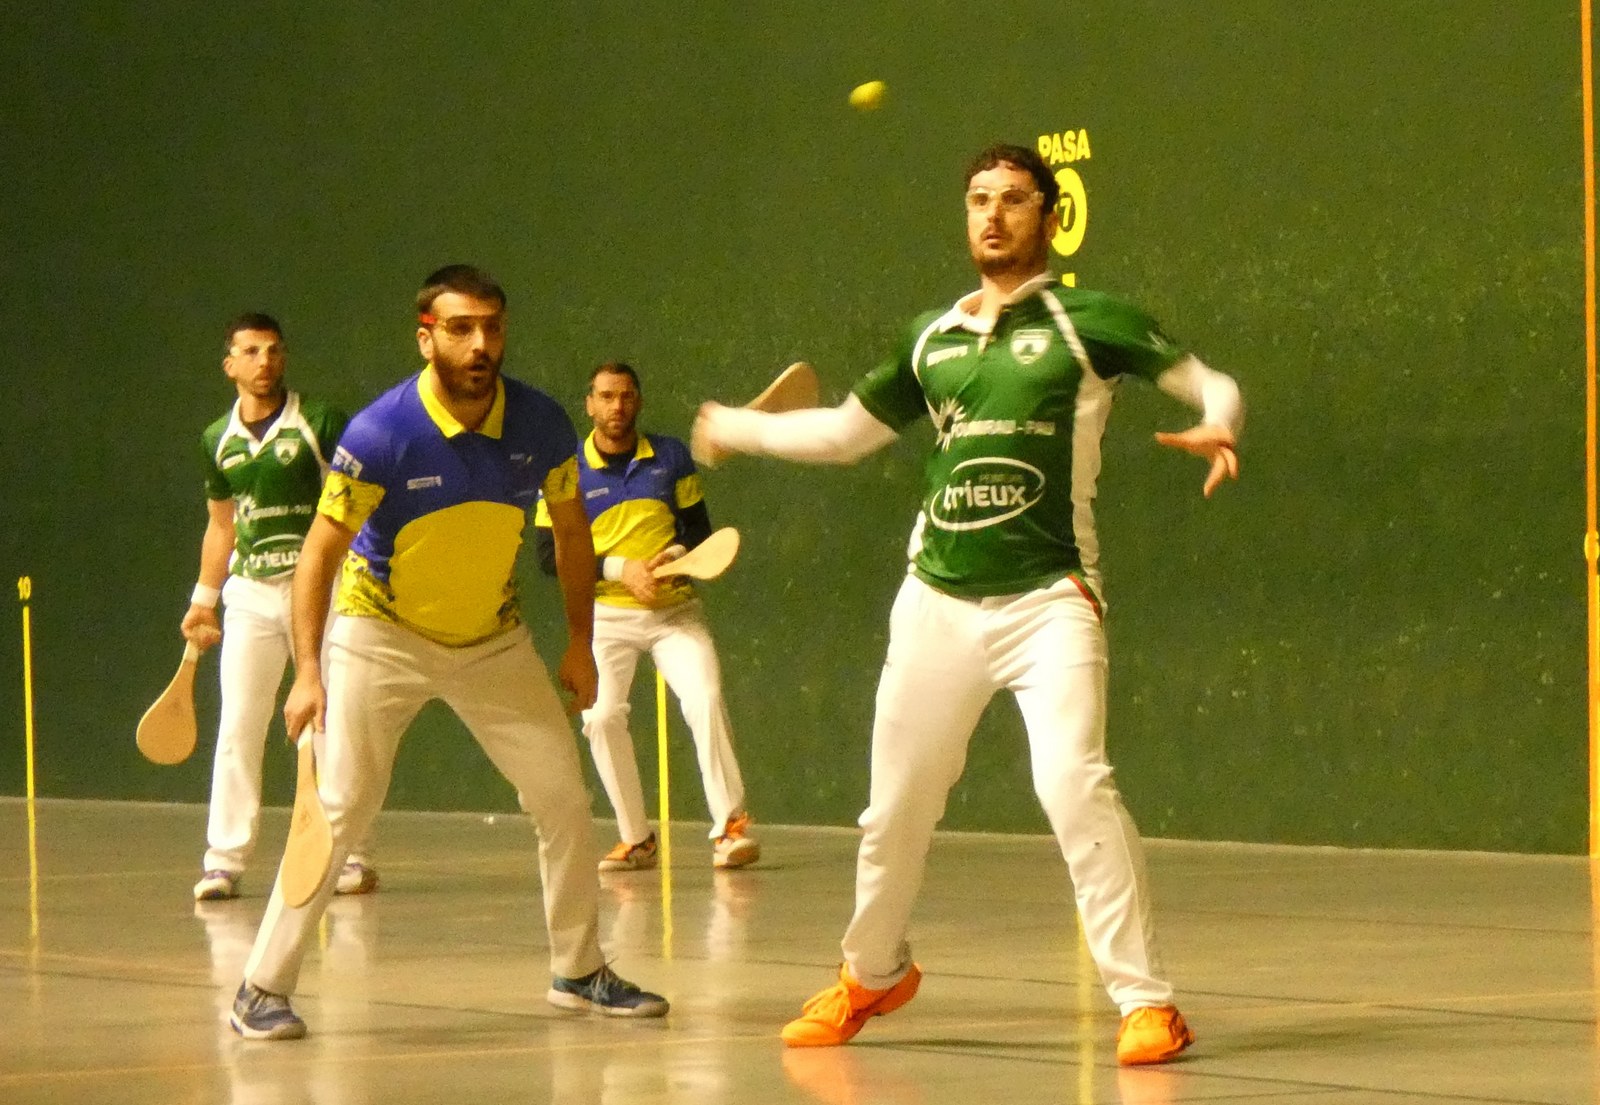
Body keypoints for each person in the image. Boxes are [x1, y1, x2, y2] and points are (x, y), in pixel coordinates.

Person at [693, 143, 1243, 1065]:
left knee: (1073, 782)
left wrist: (1220, 418)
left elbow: (1207, 380)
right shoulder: (932, 337)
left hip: (1049, 599)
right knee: (894, 808)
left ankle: (1148, 1002)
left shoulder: (1089, 322)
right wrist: (737, 426)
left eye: (1014, 199)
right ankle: (872, 973)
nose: (992, 214)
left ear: (1050, 216)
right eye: (979, 199)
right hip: (936, 600)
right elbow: (843, 434)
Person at [227, 265, 668, 1039]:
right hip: (380, 632)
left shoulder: (539, 424)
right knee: (342, 805)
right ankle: (259, 987)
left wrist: (579, 642)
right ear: (426, 337)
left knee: (563, 796)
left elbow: (572, 533)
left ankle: (578, 968)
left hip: (492, 638)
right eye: (461, 328)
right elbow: (319, 553)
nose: (481, 344)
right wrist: (308, 671)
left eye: (492, 326)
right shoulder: (382, 433)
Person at [533, 362, 760, 872]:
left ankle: (730, 828)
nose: (617, 406)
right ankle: (636, 839)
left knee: (704, 699)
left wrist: (672, 558)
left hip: (674, 612)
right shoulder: (564, 471)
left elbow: (699, 534)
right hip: (607, 616)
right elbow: (549, 557)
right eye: (606, 396)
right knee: (600, 717)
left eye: (626, 396)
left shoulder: (671, 457)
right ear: (589, 404)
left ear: (637, 401)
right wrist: (622, 569)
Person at [183, 313, 378, 902]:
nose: (264, 361)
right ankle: (224, 860)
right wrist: (203, 600)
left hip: (322, 588)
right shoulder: (216, 439)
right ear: (230, 365)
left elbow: (358, 501)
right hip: (251, 593)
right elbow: (222, 526)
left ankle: (348, 853)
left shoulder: (320, 421)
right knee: (239, 723)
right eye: (250, 351)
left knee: (332, 720)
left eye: (273, 350)